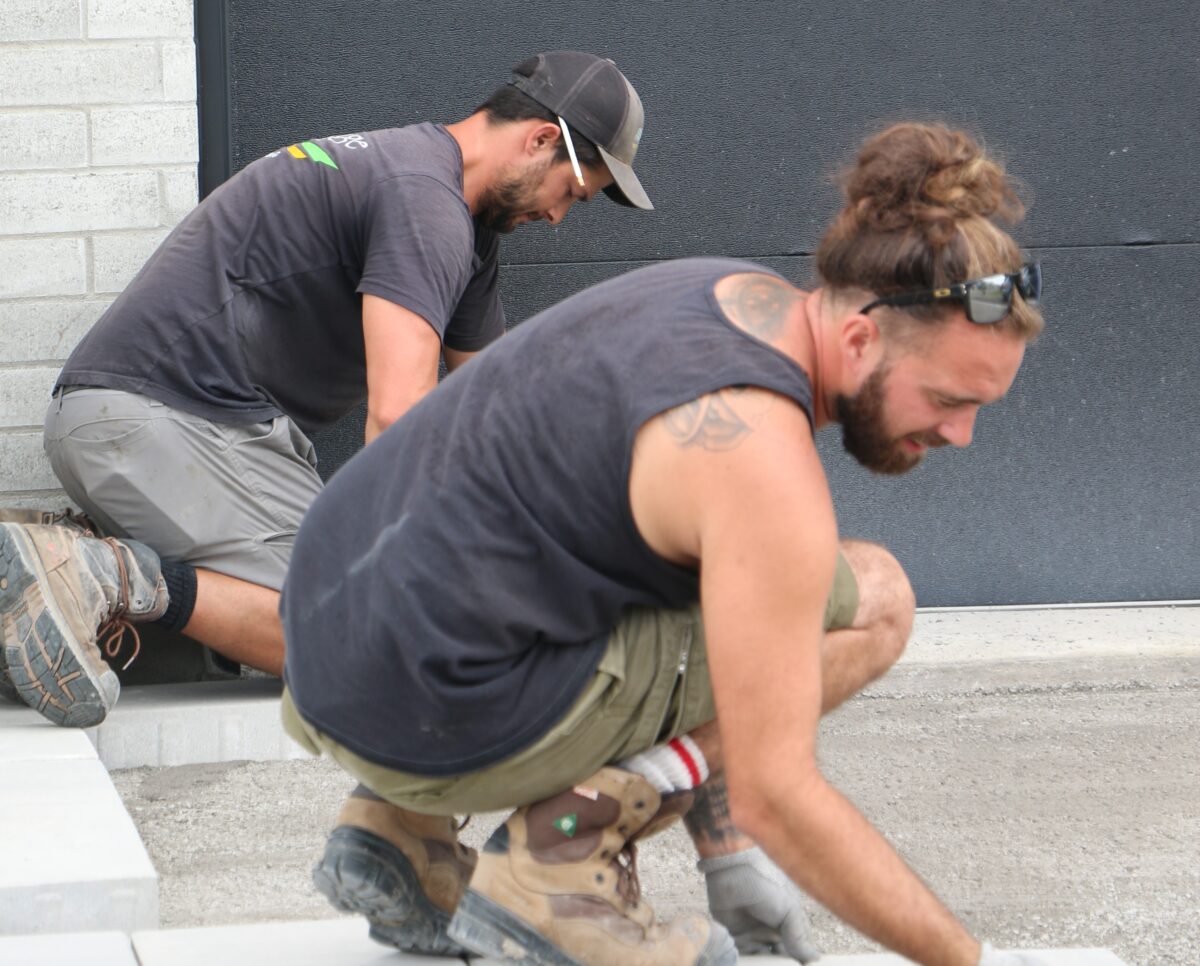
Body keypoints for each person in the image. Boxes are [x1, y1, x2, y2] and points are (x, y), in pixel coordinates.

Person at [278, 121, 1050, 965]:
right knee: (873, 600)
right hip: (426, 713)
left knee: (679, 577)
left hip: (329, 659)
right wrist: (964, 961)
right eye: (947, 398)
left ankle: (401, 834)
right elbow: (778, 793)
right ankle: (561, 862)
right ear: (862, 336)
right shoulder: (760, 458)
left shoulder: (721, 293)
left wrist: (727, 858)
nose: (962, 434)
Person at [0, 50, 654, 728]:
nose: (558, 218)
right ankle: (96, 573)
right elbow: (398, 420)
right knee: (367, 647)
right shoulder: (424, 202)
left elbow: (500, 404)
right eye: (571, 194)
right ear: (542, 140)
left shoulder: (460, 223)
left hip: (200, 428)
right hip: (151, 418)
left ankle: (58, 574)